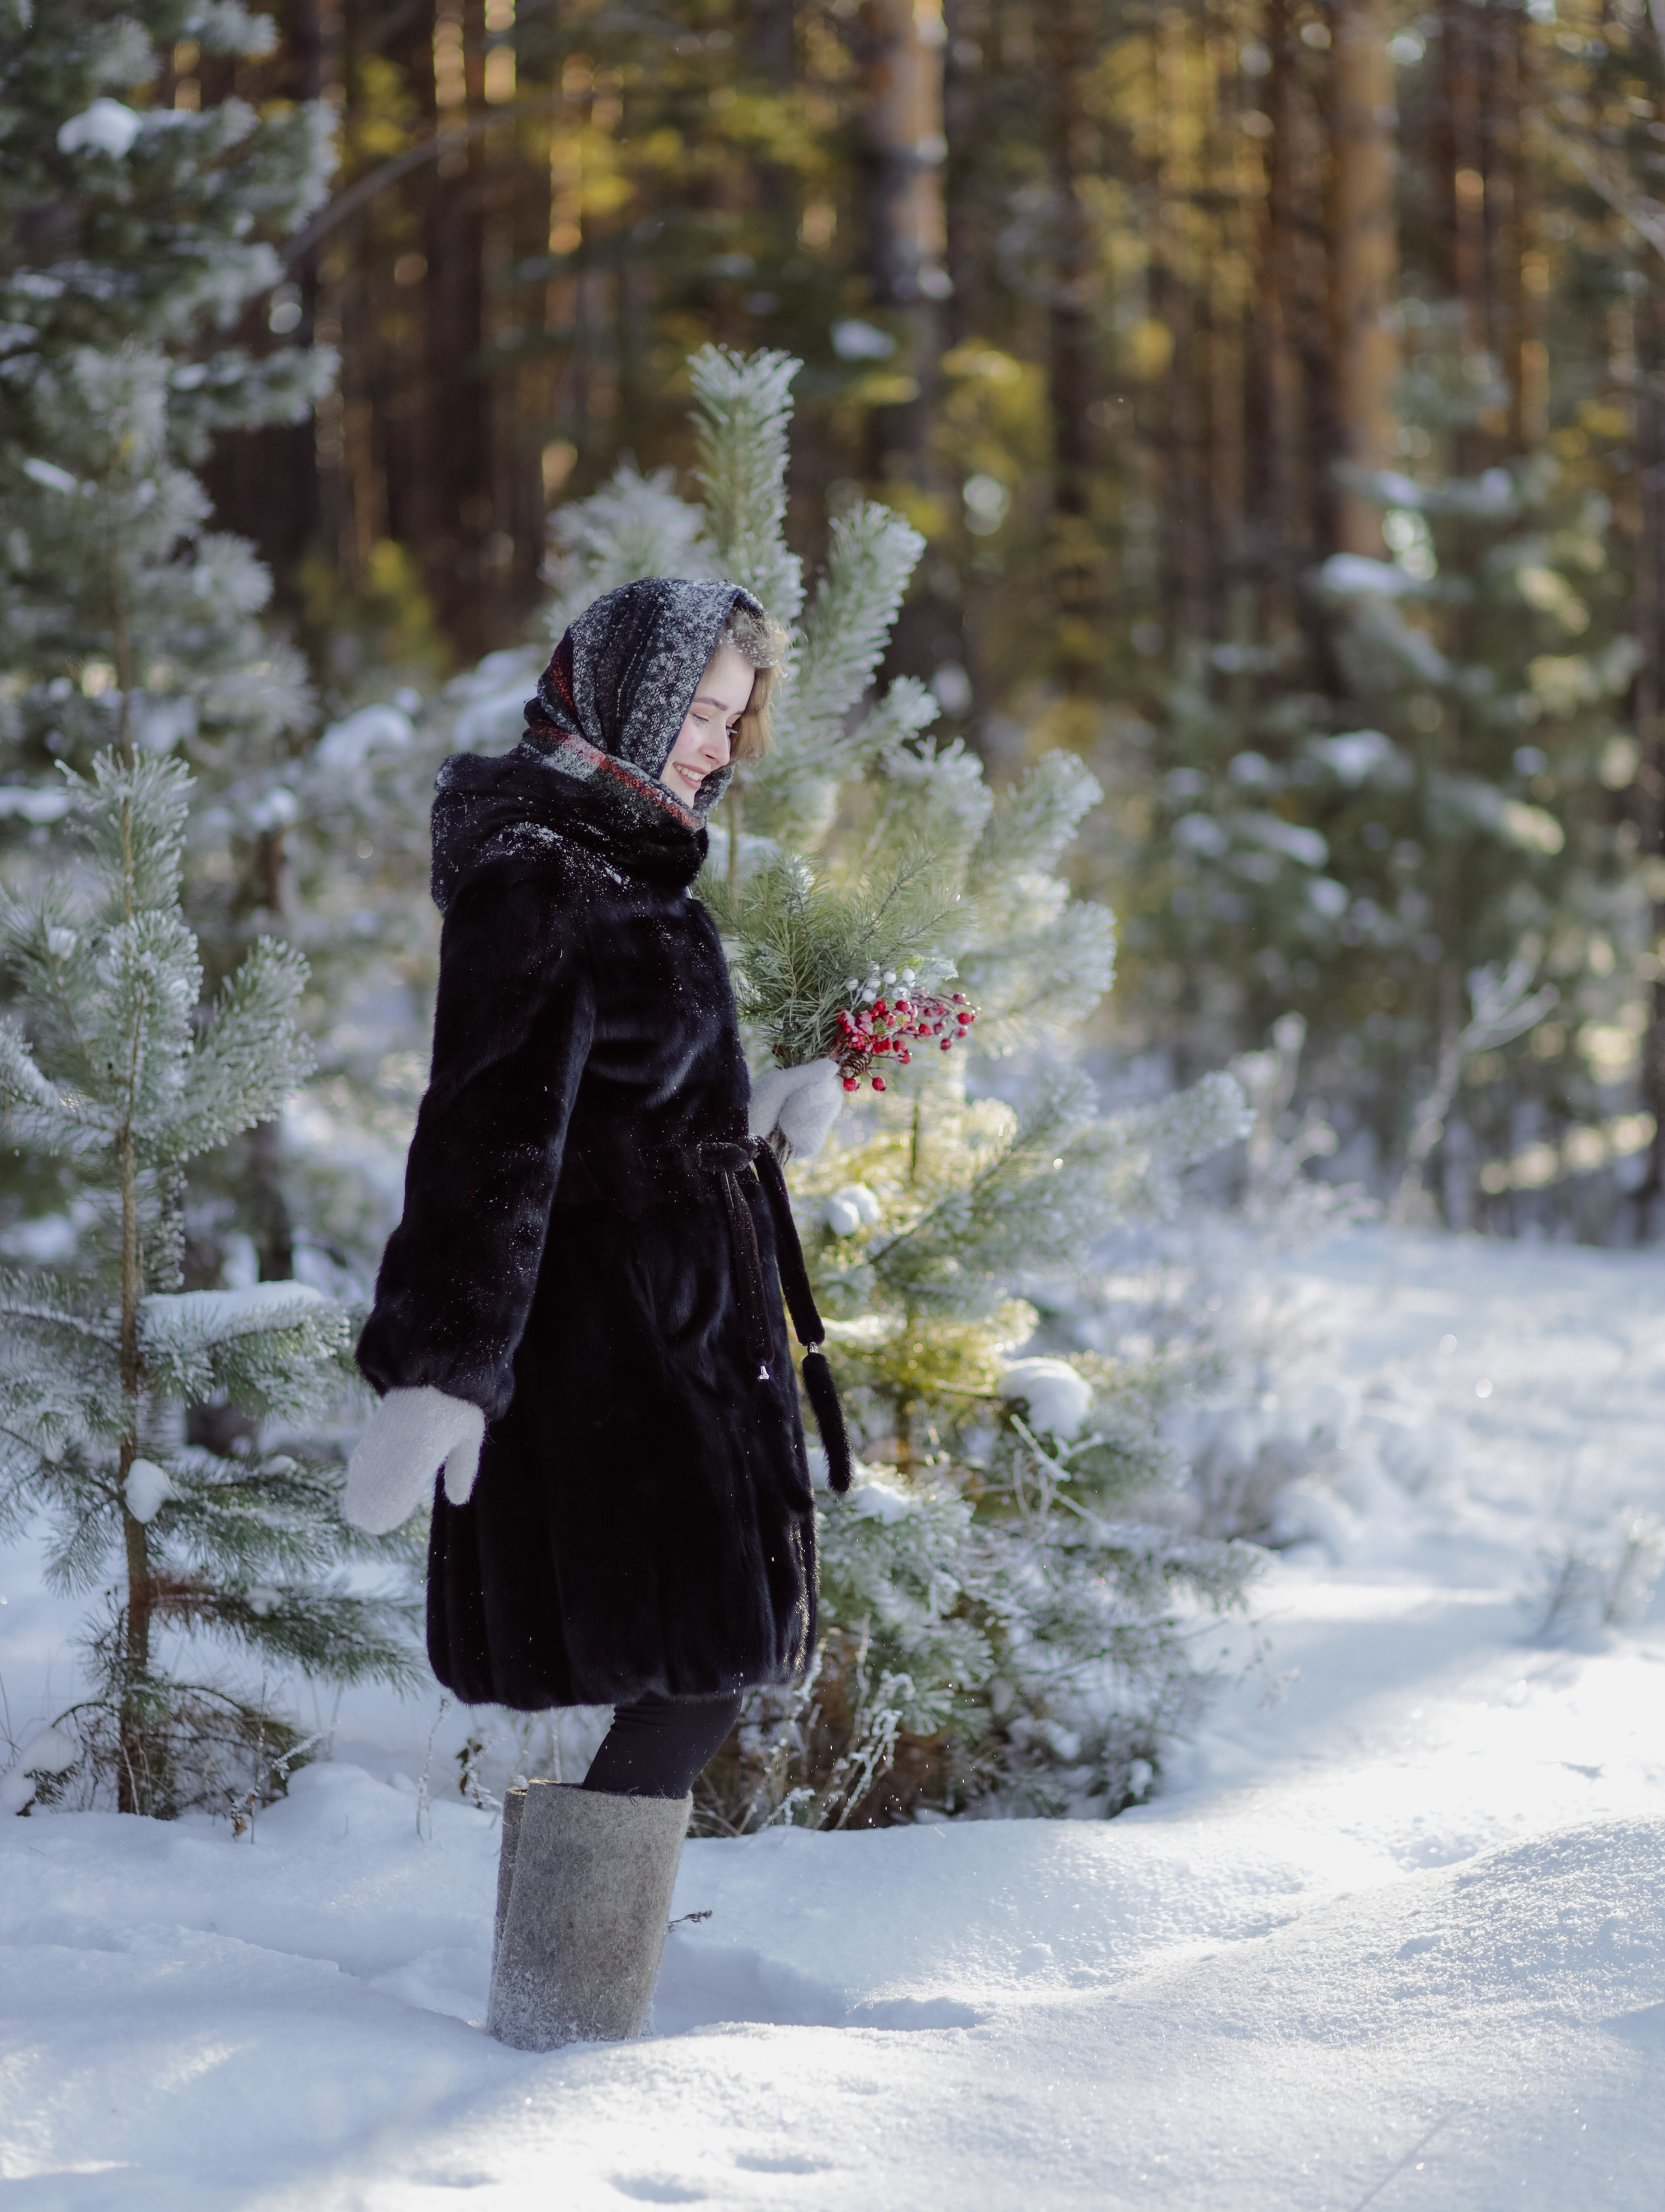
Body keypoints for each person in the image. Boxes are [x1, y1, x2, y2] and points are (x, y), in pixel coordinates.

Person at [342, 578, 847, 2049]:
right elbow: (491, 1131)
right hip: (604, 1352)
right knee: (697, 1666)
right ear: (618, 694)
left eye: (732, 719)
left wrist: (758, 1113)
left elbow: (627, 1100)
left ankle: (561, 2000)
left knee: (709, 1664)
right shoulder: (537, 875)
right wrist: (441, 1370)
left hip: (683, 1335)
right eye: (696, 710)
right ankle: (557, 2022)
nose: (714, 745)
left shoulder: (628, 868)